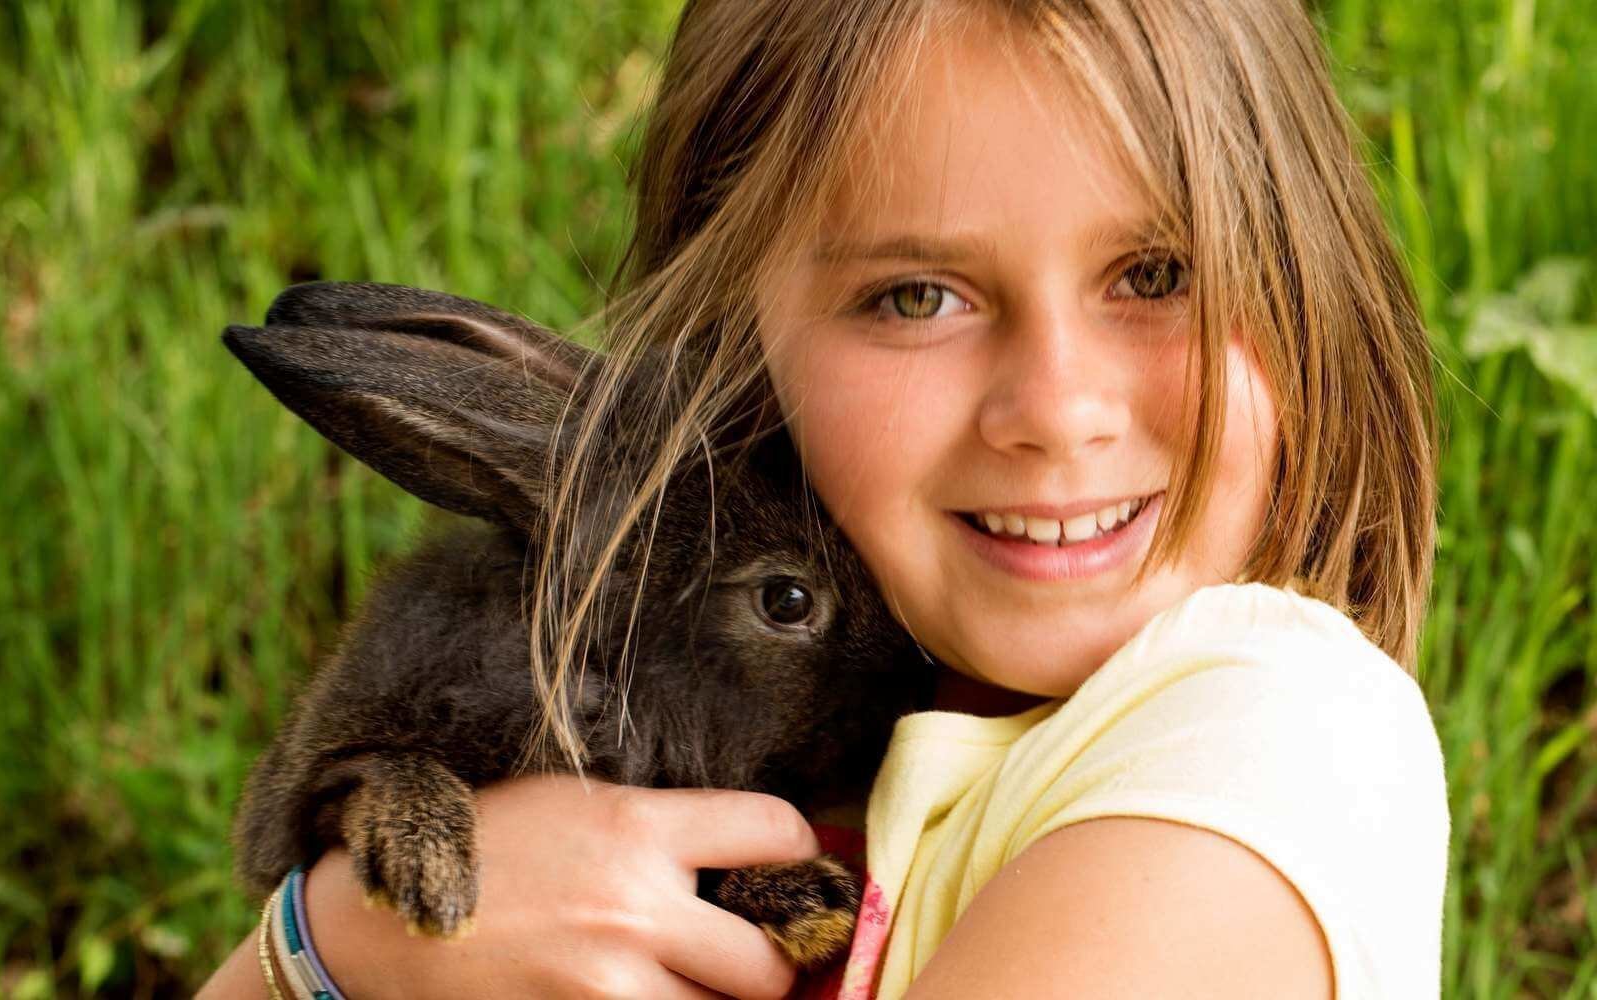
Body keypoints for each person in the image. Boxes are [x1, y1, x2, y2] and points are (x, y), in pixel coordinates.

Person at [201, 0, 1448, 996]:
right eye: (916, 296)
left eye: (1158, 272)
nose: (1060, 409)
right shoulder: (877, 741)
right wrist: (337, 951)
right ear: (737, 343)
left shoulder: (1264, 745)